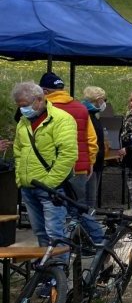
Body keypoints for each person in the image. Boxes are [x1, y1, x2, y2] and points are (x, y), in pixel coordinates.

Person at [12, 81, 78, 265]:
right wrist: (20, 178)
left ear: (40, 100)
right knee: (40, 233)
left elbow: (68, 154)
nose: (22, 109)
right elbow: (18, 150)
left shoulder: (61, 119)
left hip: (50, 188)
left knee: (55, 233)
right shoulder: (24, 121)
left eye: (25, 105)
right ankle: (47, 272)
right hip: (28, 187)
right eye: (19, 106)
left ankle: (58, 277)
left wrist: (49, 182)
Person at [39, 73, 99, 214]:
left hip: (49, 168)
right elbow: (91, 139)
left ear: (44, 91)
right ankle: (85, 235)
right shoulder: (81, 108)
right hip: (78, 168)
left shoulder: (42, 109)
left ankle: (60, 236)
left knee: (53, 210)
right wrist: (89, 162)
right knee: (78, 208)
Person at [81, 86, 108, 208]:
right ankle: (87, 224)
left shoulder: (93, 115)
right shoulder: (86, 115)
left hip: (97, 162)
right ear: (97, 100)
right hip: (91, 163)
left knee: (91, 198)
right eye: (103, 100)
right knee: (89, 199)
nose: (104, 103)